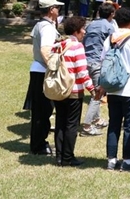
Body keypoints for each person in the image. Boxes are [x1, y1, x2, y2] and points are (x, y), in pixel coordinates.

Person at [96, 7, 130, 171]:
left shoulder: (110, 39)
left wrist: (102, 86)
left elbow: (103, 63)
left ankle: (111, 159)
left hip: (112, 88)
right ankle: (127, 160)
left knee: (114, 124)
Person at [53, 16, 96, 167]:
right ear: (77, 31)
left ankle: (59, 156)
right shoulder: (77, 47)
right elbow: (82, 72)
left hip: (59, 89)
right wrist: (92, 89)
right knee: (71, 125)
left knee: (60, 122)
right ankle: (68, 157)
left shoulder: (59, 45)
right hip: (73, 90)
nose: (84, 32)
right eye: (83, 29)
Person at [28, 0, 64, 156]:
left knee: (40, 110)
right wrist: (54, 68)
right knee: (43, 111)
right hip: (43, 71)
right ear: (51, 10)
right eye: (57, 7)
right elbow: (45, 49)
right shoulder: (47, 28)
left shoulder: (41, 25)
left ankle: (38, 143)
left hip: (38, 69)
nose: (59, 9)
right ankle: (39, 145)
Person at [81, 3, 115, 136]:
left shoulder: (90, 25)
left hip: (84, 61)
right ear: (111, 14)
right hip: (97, 63)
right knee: (98, 95)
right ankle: (87, 127)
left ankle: (96, 119)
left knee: (94, 91)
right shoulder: (109, 27)